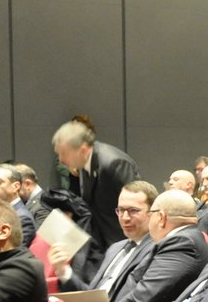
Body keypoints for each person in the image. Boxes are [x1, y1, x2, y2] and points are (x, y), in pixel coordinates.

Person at [52, 118, 141, 277]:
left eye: (64, 153)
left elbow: (139, 202)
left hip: (125, 242)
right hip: (102, 244)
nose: (61, 160)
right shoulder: (83, 164)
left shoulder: (113, 162)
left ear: (83, 149)